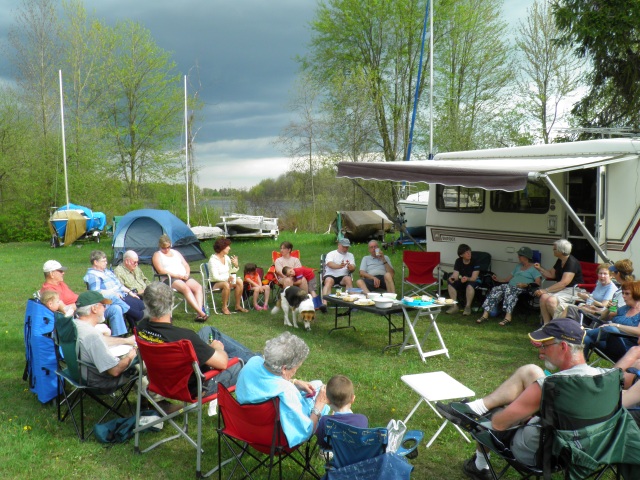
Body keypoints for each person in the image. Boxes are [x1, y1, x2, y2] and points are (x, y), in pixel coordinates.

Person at [436, 319, 607, 479]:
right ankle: (475, 407)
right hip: (587, 452)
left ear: (563, 346)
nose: (540, 351)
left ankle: (480, 465)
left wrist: (522, 412)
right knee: (531, 370)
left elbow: (499, 424)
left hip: (541, 454)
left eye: (544, 346)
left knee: (493, 413)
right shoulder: (606, 378)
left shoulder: (550, 387)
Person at [136, 282, 256, 397]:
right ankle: (259, 361)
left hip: (162, 382)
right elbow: (222, 363)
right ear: (171, 304)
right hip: (198, 386)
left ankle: (256, 357)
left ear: (146, 303)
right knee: (246, 365)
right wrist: (217, 348)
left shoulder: (141, 328)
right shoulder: (184, 339)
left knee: (209, 330)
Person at [235, 332, 329, 447]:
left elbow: (268, 383)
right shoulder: (286, 391)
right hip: (277, 439)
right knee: (323, 394)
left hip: (247, 427)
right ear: (284, 368)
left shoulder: (253, 362)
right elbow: (305, 432)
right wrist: (319, 405)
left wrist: (295, 382)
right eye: (296, 367)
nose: (296, 371)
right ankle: (326, 447)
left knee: (316, 384)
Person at [40, 259, 129, 336]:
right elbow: (65, 310)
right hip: (81, 313)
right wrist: (81, 303)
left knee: (115, 308)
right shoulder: (50, 291)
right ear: (51, 274)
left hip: (86, 307)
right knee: (110, 296)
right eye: (60, 271)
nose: (63, 273)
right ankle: (131, 312)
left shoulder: (60, 283)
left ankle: (118, 337)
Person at [73, 291, 138, 392]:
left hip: (80, 374)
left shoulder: (75, 325)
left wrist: (126, 341)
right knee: (142, 364)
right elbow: (115, 371)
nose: (106, 308)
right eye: (103, 305)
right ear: (94, 309)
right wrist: (131, 356)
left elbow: (101, 341)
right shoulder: (92, 335)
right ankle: (155, 402)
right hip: (100, 382)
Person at [476, 247, 541, 326]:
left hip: (524, 288)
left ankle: (508, 317)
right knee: (496, 289)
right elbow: (507, 279)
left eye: (520, 255)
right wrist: (497, 279)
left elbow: (538, 283)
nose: (518, 257)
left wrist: (526, 285)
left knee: (509, 291)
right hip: (510, 286)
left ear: (526, 257)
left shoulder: (534, 268)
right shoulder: (518, 266)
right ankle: (485, 315)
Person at [152, 234, 208, 321]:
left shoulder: (176, 253)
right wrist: (176, 275)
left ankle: (199, 312)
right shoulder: (157, 255)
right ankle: (201, 312)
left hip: (183, 276)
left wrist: (187, 273)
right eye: (163, 248)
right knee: (186, 288)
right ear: (160, 246)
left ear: (170, 245)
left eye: (168, 247)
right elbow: (160, 270)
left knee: (198, 287)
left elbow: (186, 264)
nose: (166, 250)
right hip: (169, 279)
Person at [583, 280, 640, 362]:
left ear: (636, 294)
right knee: (586, 339)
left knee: (612, 329)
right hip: (610, 344)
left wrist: (616, 326)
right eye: (623, 293)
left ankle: (582, 333)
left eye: (627, 293)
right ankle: (579, 368)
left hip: (627, 349)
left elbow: (638, 331)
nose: (623, 296)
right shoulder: (625, 308)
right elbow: (604, 318)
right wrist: (608, 309)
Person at [83, 250, 146, 324]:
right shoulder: (93, 275)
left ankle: (139, 325)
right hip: (108, 299)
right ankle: (136, 322)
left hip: (121, 295)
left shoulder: (107, 272)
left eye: (106, 261)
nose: (106, 263)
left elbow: (119, 285)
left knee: (138, 302)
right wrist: (112, 293)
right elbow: (96, 292)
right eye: (103, 261)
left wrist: (129, 292)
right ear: (96, 262)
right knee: (127, 304)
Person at [533, 239, 584, 324]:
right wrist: (539, 268)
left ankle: (558, 325)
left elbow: (564, 283)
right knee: (543, 297)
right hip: (563, 290)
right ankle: (546, 325)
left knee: (551, 300)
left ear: (561, 250)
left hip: (573, 290)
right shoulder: (560, 260)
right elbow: (551, 275)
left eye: (554, 249)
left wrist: (545, 290)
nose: (553, 250)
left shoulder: (572, 262)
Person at [315, 375, 368, 450]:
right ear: (353, 399)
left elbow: (322, 443)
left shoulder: (325, 421)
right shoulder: (362, 419)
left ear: (328, 400)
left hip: (337, 459)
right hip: (356, 459)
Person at [208, 237, 249, 314]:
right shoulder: (213, 260)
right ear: (222, 247)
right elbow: (215, 277)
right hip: (215, 283)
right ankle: (224, 307)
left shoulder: (226, 258)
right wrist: (227, 278)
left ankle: (238, 306)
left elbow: (230, 272)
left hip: (227, 280)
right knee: (226, 284)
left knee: (239, 281)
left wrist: (236, 266)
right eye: (228, 246)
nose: (229, 248)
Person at [446, 244, 480, 315]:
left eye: (469, 252)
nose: (469, 254)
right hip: (462, 280)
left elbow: (474, 278)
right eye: (466, 253)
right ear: (461, 255)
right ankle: (454, 306)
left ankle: (467, 307)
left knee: (470, 286)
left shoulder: (475, 261)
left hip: (472, 281)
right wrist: (452, 278)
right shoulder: (458, 261)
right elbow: (455, 275)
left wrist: (467, 278)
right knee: (450, 284)